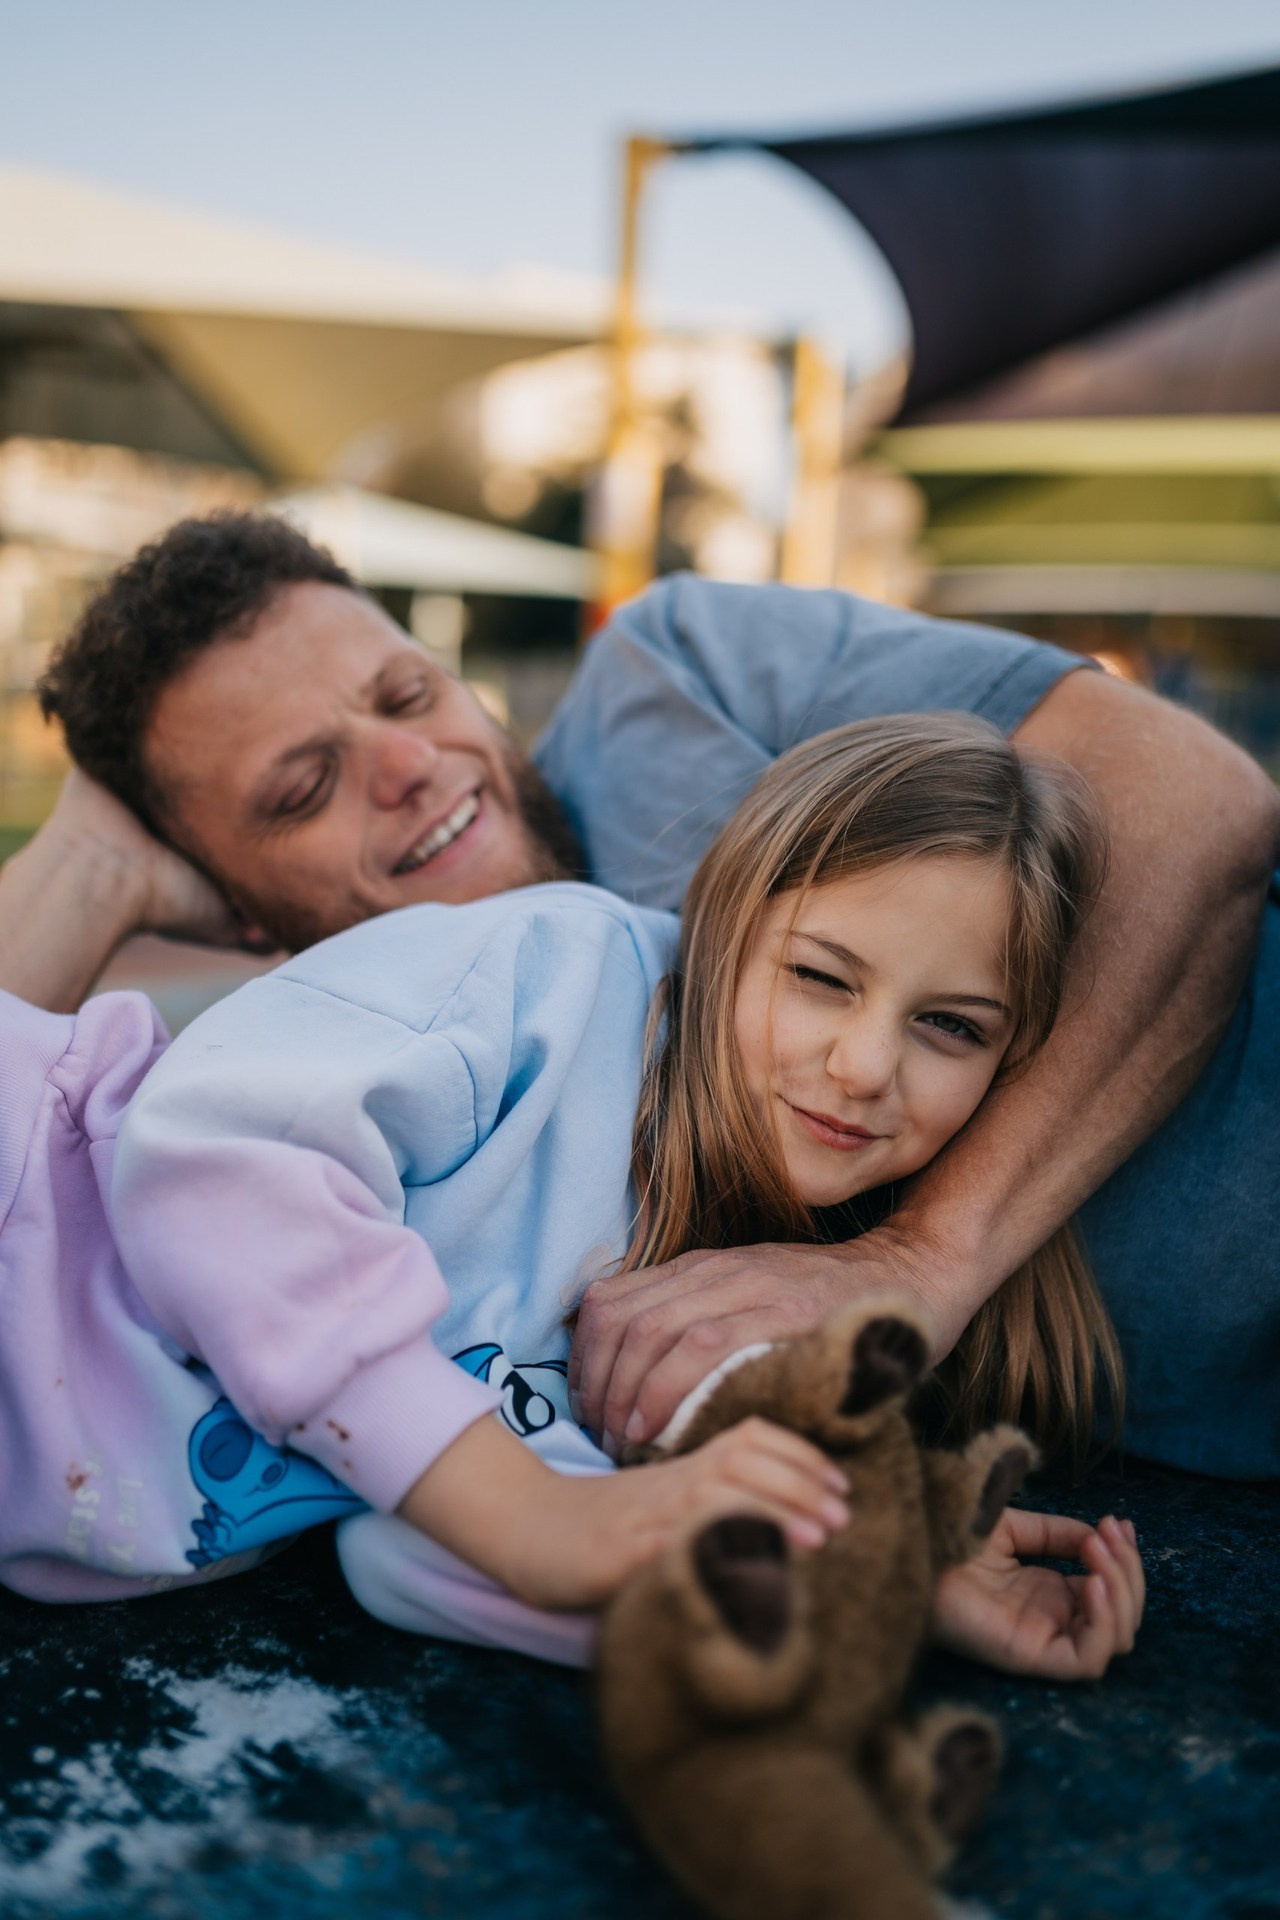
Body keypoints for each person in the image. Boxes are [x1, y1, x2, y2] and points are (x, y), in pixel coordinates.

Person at [8, 513, 1278, 1475]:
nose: (408, 763)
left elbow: (1193, 799)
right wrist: (83, 872)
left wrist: (919, 1261)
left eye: (410, 695)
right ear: (240, 914)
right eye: (302, 789)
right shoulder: (359, 1102)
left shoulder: (667, 666)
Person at [96, 711, 1140, 1672]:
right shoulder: (559, 975)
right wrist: (533, 1520)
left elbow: (428, 1540)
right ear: (724, 925)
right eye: (820, 977)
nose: (866, 1066)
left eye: (950, 1026)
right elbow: (223, 1155)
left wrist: (867, 1571)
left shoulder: (764, 1294)